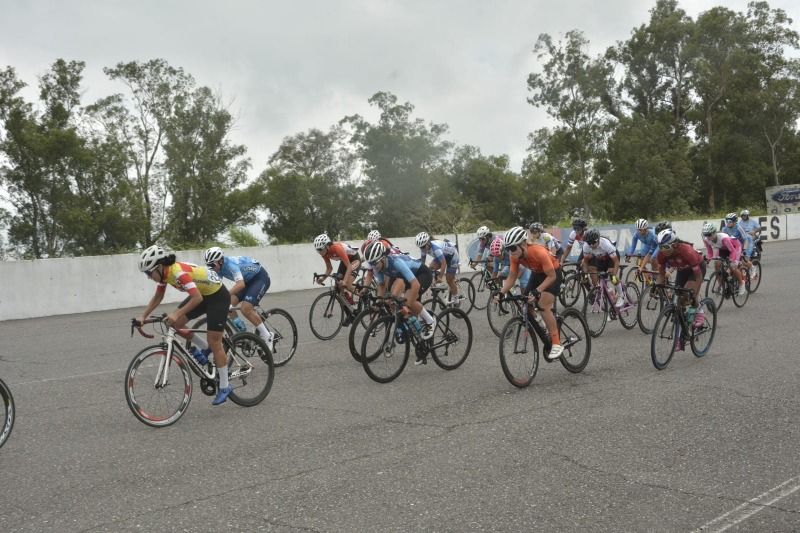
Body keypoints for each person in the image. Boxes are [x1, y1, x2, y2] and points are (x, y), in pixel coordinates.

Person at [135, 245, 233, 406]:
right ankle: (204, 347)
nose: (148, 277)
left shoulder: (177, 272)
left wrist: (177, 313)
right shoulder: (165, 275)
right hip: (202, 294)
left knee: (215, 341)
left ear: (159, 267)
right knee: (175, 324)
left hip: (217, 296)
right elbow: (158, 296)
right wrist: (142, 316)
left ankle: (225, 386)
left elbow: (196, 298)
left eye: (148, 273)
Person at [494, 226, 564, 360]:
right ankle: (543, 326)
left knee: (543, 306)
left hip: (553, 274)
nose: (511, 252)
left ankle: (556, 342)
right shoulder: (515, 257)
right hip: (537, 274)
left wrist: (538, 291)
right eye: (508, 249)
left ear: (523, 244)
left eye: (513, 248)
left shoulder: (538, 252)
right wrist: (502, 293)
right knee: (526, 302)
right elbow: (512, 277)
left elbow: (551, 277)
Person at [363, 240, 437, 364]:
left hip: (422, 274)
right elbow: (381, 285)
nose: (373, 266)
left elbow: (415, 285)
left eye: (375, 263)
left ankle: (430, 320)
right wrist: (379, 302)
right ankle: (419, 337)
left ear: (383, 258)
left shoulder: (396, 262)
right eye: (371, 264)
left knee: (409, 302)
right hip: (407, 277)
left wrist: (406, 305)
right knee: (393, 301)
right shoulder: (377, 267)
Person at [204, 246, 274, 351]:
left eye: (212, 265)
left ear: (221, 261)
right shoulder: (217, 268)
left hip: (259, 278)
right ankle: (243, 332)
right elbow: (216, 286)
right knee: (227, 305)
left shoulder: (230, 265)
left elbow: (240, 285)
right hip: (246, 281)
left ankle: (268, 336)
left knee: (245, 309)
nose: (211, 267)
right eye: (209, 265)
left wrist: (225, 295)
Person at [653, 229, 707, 333]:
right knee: (679, 299)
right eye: (661, 247)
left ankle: (699, 310)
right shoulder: (661, 254)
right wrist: (656, 288)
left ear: (675, 244)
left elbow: (698, 277)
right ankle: (683, 326)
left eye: (666, 247)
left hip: (696, 269)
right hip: (682, 270)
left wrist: (694, 295)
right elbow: (661, 274)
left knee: (687, 291)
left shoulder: (687, 251)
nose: (664, 250)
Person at [581, 228, 628, 308]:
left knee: (611, 276)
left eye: (593, 242)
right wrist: (585, 273)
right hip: (600, 259)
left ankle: (621, 295)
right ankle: (610, 301)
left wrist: (614, 275)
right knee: (602, 280)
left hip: (610, 258)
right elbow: (585, 261)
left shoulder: (605, 244)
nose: (591, 245)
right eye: (589, 243)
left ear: (598, 239)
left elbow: (616, 262)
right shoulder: (586, 246)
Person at [415, 231, 460, 305]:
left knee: (449, 280)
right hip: (443, 256)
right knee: (429, 271)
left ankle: (456, 299)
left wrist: (440, 277)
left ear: (428, 243)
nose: (422, 249)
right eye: (420, 247)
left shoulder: (436, 248)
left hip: (453, 256)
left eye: (423, 247)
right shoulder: (423, 248)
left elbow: (443, 263)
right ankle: (439, 288)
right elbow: (422, 264)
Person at [702, 222, 745, 296]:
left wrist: (731, 262)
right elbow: (710, 253)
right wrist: (706, 261)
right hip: (723, 248)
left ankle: (741, 283)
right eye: (705, 235)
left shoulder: (723, 238)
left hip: (735, 248)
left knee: (732, 267)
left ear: (714, 233)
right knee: (716, 265)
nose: (708, 237)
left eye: (709, 234)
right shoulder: (706, 240)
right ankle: (722, 286)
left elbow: (732, 251)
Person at [313, 233, 360, 300]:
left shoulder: (337, 248)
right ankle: (347, 304)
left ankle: (364, 294)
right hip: (345, 261)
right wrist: (323, 279)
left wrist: (344, 281)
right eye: (317, 250)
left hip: (354, 258)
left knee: (347, 284)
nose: (320, 252)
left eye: (320, 249)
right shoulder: (324, 253)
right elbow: (329, 268)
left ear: (327, 246)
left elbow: (349, 267)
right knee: (338, 287)